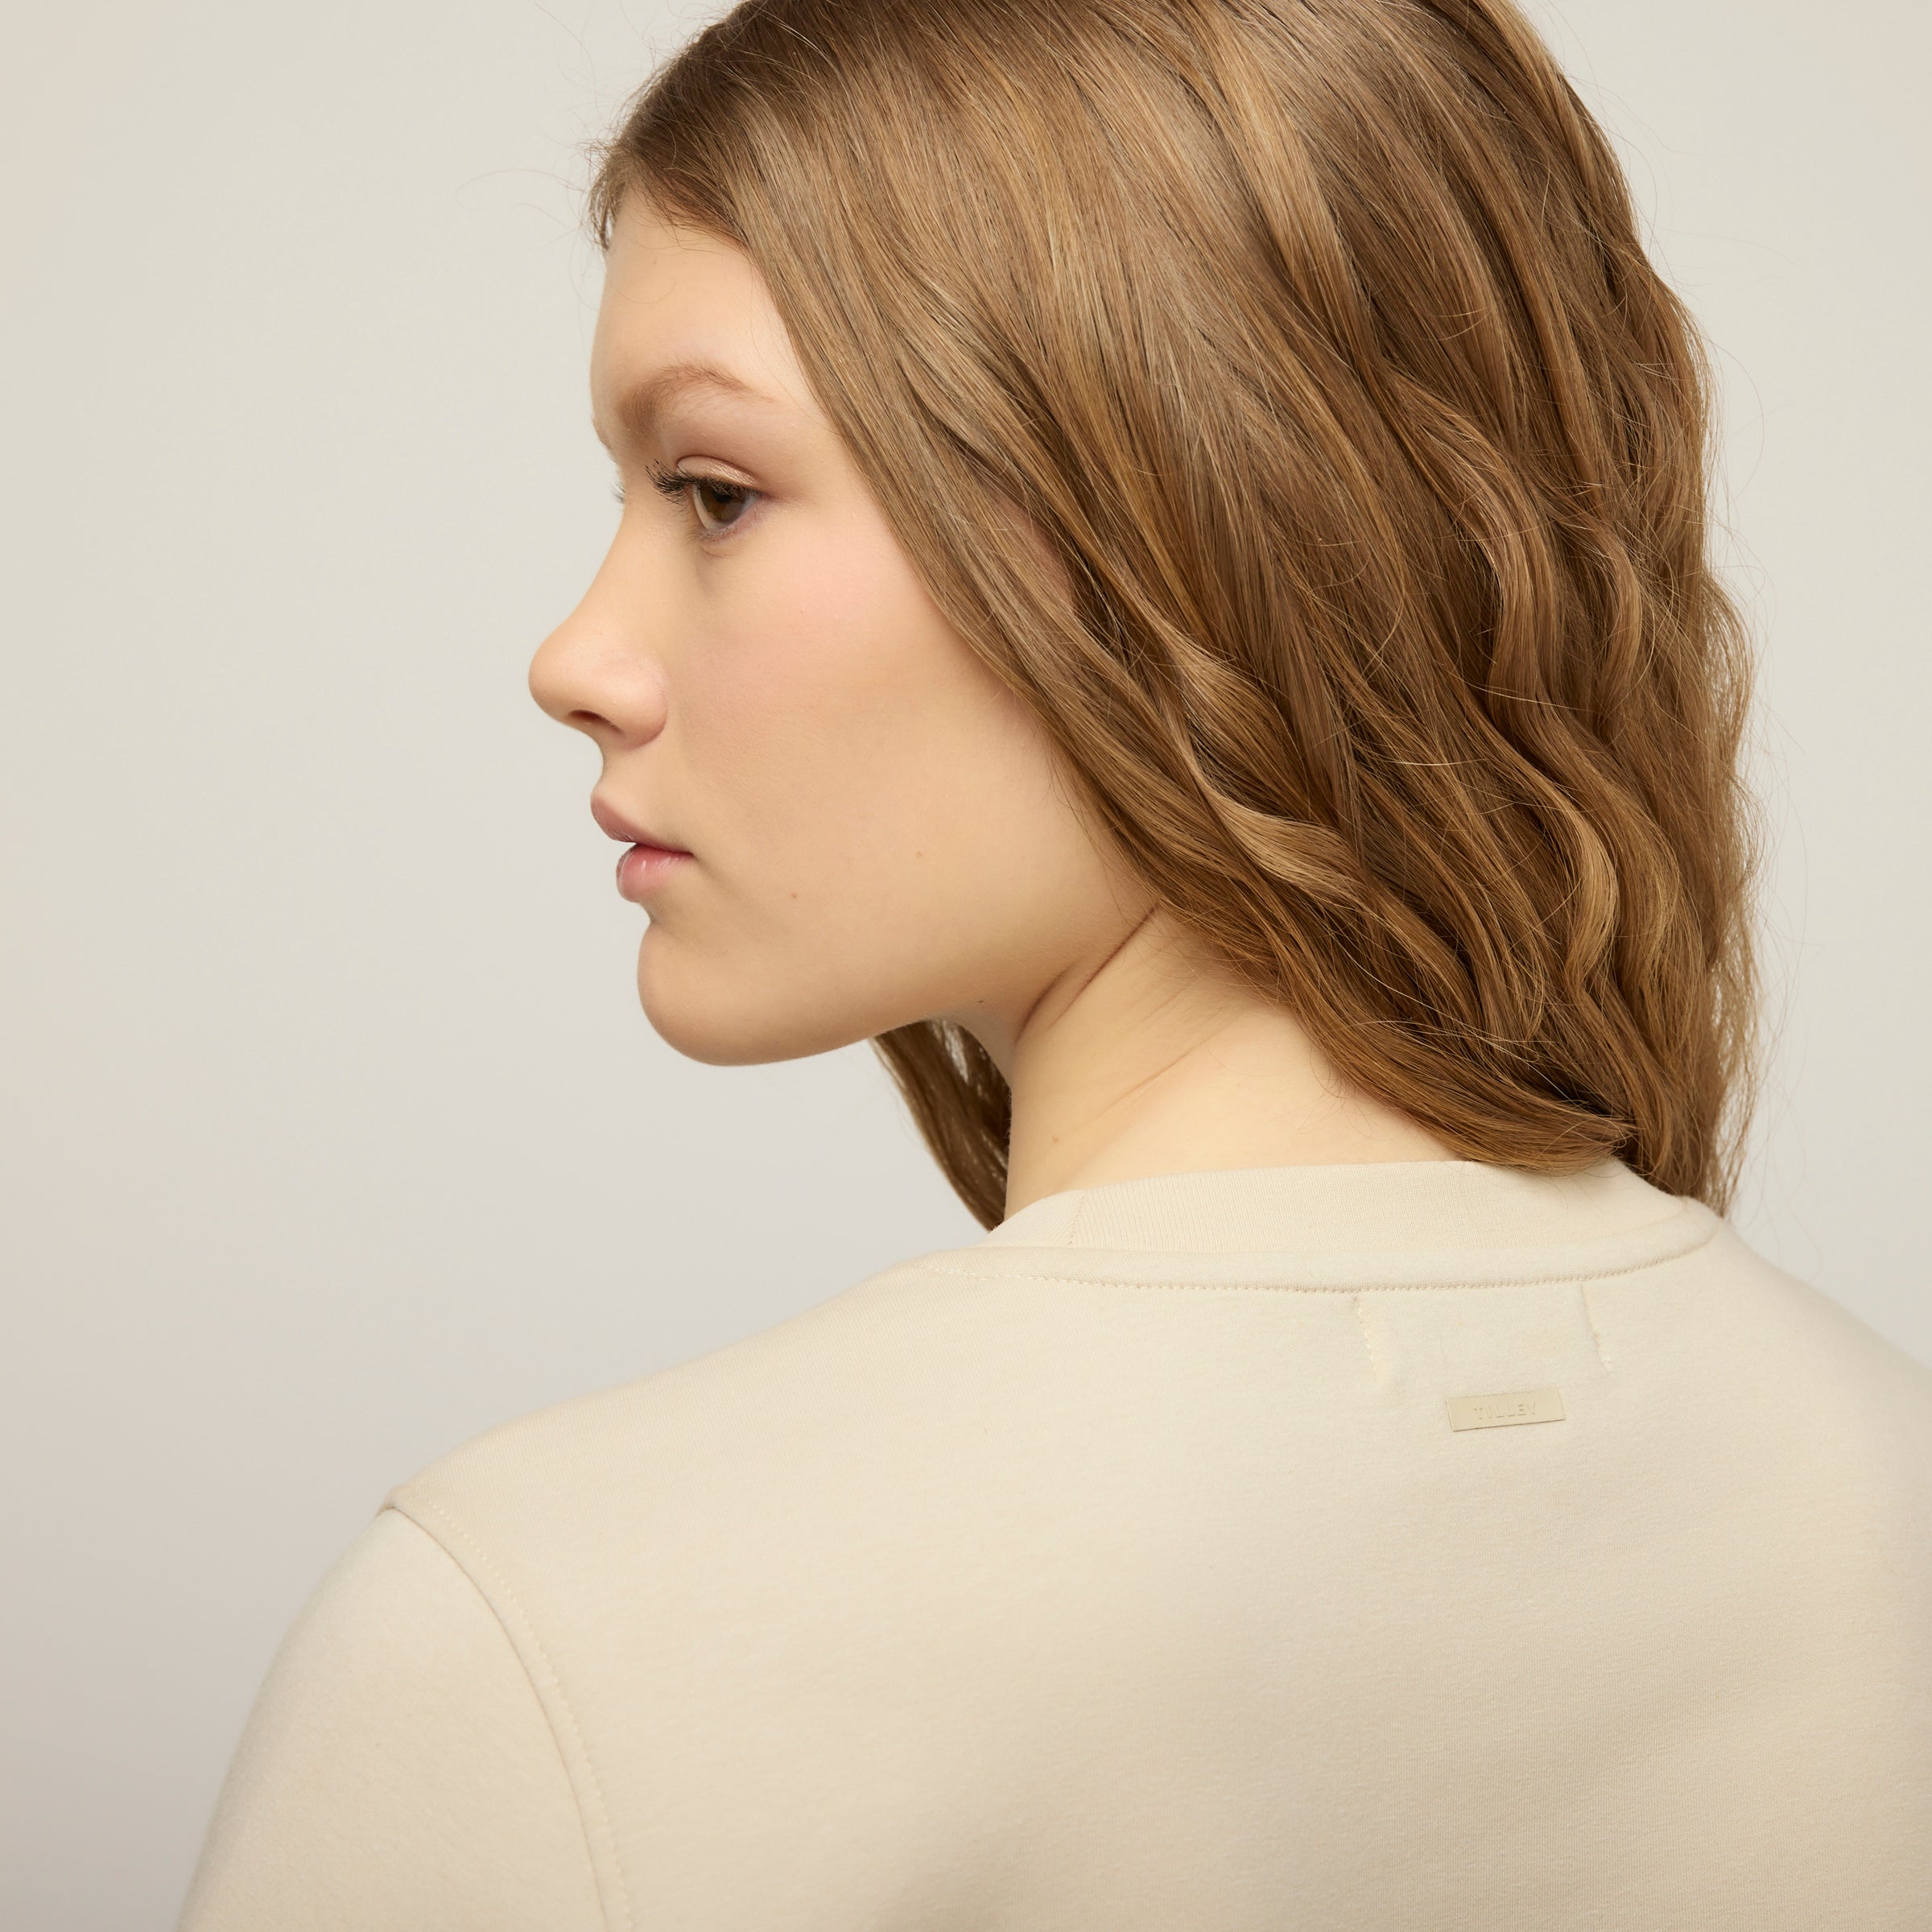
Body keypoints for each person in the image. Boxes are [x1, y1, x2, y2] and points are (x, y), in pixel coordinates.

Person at [174, 0, 1932, 1925]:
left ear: (1202, 515)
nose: (576, 659)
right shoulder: (1878, 1502)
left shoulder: (537, 1655)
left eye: (715, 493)